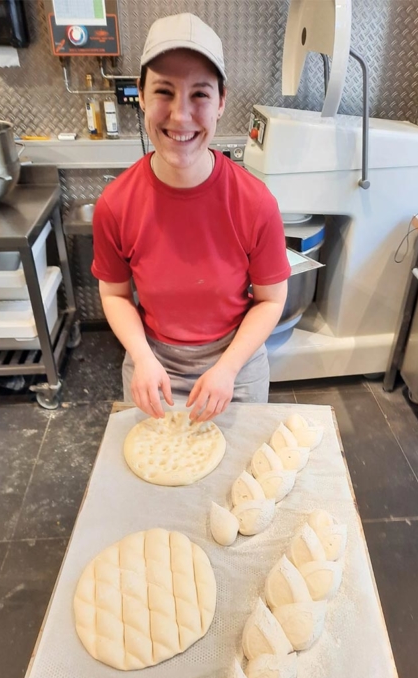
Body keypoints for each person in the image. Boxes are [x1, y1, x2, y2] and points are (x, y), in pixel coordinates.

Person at [92, 13, 290, 422]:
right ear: (142, 97)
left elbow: (271, 301)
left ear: (221, 102)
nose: (180, 116)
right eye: (164, 91)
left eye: (199, 94)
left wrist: (228, 369)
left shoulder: (255, 203)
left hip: (235, 365)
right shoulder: (115, 204)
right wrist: (142, 358)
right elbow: (114, 295)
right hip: (153, 363)